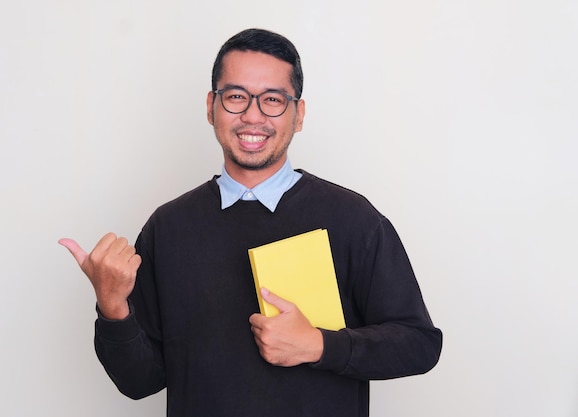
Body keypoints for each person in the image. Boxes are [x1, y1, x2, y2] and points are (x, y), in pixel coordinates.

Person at [59, 28, 442, 417]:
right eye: (236, 97)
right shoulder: (168, 227)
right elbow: (140, 382)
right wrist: (112, 306)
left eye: (273, 99)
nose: (253, 115)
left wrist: (319, 345)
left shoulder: (354, 219)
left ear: (299, 114)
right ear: (211, 106)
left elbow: (419, 344)